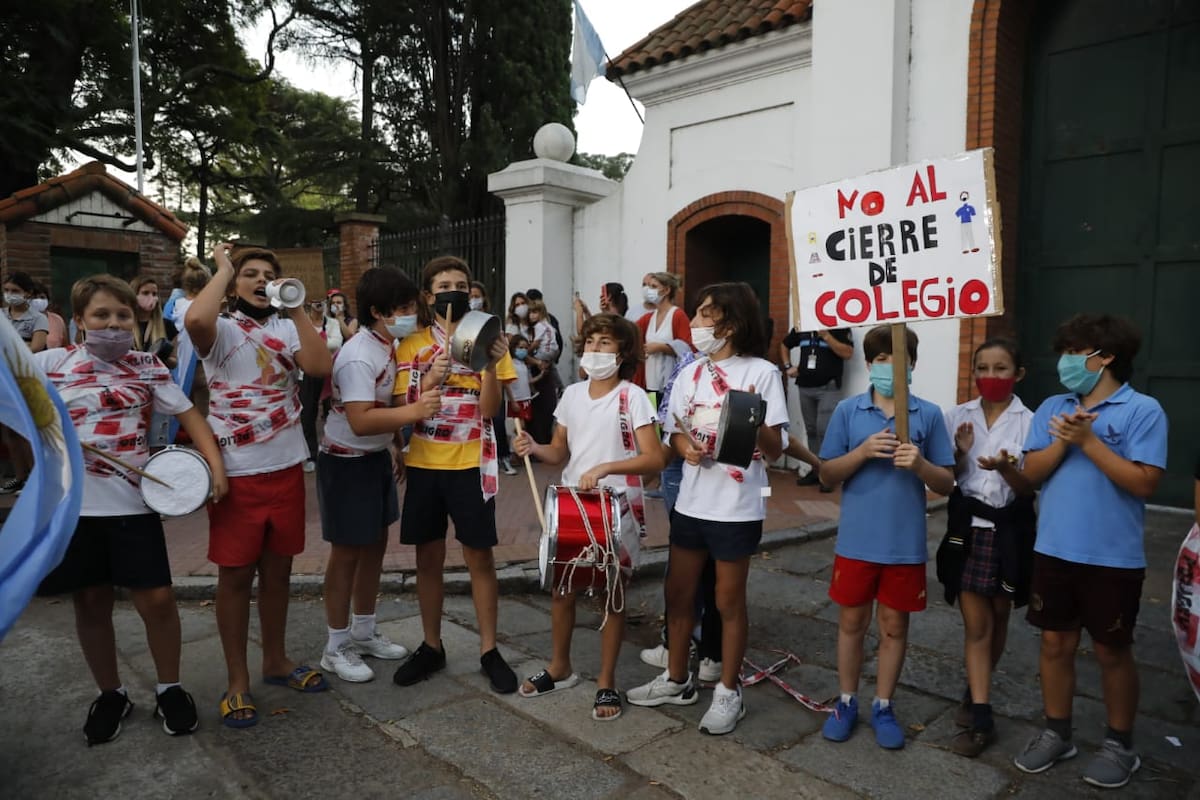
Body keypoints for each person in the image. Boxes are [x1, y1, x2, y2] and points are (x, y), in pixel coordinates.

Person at [34, 274, 228, 745]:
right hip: (74, 509)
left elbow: (190, 415)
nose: (114, 324)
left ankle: (169, 688)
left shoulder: (147, 366)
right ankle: (111, 694)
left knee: (157, 600)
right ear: (80, 320)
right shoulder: (49, 364)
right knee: (90, 601)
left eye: (123, 315)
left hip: (135, 506)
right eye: (101, 315)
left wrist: (214, 467)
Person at [1012, 314, 1167, 790]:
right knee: (1054, 643)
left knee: (1111, 650)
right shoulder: (1053, 407)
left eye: (1075, 352)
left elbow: (1144, 482)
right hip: (1054, 549)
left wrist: (1089, 442)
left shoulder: (1142, 410)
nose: (1066, 361)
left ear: (1106, 357)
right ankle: (1057, 732)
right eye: (1064, 351)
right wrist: (1064, 442)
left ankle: (1120, 744)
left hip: (1112, 557)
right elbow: (1030, 475)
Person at [627, 282, 786, 736]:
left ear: (729, 325)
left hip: (737, 507)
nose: (693, 322)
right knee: (679, 593)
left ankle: (728, 692)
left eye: (702, 314)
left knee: (727, 601)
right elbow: (674, 432)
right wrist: (686, 449)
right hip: (692, 503)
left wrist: (753, 418)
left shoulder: (762, 373)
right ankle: (677, 678)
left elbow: (776, 447)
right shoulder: (691, 372)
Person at [185, 243, 334, 728]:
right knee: (234, 578)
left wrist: (296, 305)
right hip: (237, 474)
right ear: (234, 285)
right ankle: (237, 680)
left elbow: (319, 367)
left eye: (268, 274)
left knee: (279, 573)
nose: (260, 280)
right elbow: (195, 320)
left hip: (287, 466)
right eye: (250, 273)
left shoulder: (288, 328)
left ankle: (276, 660)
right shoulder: (223, 330)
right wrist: (223, 268)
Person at [513, 313, 663, 720]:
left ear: (623, 352)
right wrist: (534, 447)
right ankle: (559, 667)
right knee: (562, 589)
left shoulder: (633, 396)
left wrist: (607, 467)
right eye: (591, 342)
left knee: (611, 595)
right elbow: (559, 451)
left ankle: (606, 680)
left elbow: (654, 458)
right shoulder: (573, 394)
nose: (595, 349)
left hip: (616, 507)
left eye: (605, 343)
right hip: (573, 504)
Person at [817, 324, 955, 750]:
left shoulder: (927, 414)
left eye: (898, 360)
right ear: (868, 363)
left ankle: (883, 704)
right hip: (857, 541)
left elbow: (947, 483)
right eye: (880, 359)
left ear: (912, 365)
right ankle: (846, 701)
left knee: (894, 626)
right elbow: (826, 474)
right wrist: (861, 453)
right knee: (852, 623)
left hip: (903, 544)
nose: (889, 367)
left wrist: (920, 465)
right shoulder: (849, 411)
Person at [390, 255, 518, 694]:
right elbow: (400, 409)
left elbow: (490, 409)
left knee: (479, 557)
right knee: (428, 559)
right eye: (444, 286)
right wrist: (428, 381)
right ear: (428, 296)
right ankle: (431, 645)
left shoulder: (490, 341)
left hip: (471, 463)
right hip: (426, 464)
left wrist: (489, 366)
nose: (454, 292)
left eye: (461, 286)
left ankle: (489, 649)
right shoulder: (411, 345)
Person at [318, 268, 441, 683]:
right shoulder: (358, 355)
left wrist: (395, 444)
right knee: (346, 554)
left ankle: (364, 631)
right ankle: (336, 646)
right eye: (402, 309)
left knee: (374, 547)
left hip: (374, 459)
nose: (410, 315)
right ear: (377, 312)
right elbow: (359, 419)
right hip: (345, 463)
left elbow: (382, 406)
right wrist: (413, 413)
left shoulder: (391, 346)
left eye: (411, 307)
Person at [940, 337, 1035, 757]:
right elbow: (947, 477)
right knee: (976, 625)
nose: (990, 376)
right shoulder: (957, 416)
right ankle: (982, 713)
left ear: (1018, 373)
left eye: (1001, 368)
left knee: (998, 617)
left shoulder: (1030, 422)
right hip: (969, 529)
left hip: (1010, 531)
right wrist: (960, 454)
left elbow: (1028, 488)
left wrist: (1006, 469)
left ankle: (975, 687)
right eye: (983, 368)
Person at [780, 327, 853, 490]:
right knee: (811, 430)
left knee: (825, 430)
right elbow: (784, 344)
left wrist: (826, 336)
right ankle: (817, 470)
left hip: (828, 387)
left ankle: (829, 474)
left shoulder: (839, 326)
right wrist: (788, 366)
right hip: (805, 386)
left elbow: (848, 353)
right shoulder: (801, 326)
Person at [1, 270, 49, 494]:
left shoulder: (38, 318)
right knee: (9, 429)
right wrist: (21, 344)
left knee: (26, 430)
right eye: (6, 290)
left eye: (15, 290)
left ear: (27, 293)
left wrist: (11, 348)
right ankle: (20, 477)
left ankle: (37, 477)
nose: (10, 294)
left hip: (26, 378)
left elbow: (36, 347)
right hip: (4, 379)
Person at [635, 272, 692, 405]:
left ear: (666, 290)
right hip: (650, 382)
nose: (648, 290)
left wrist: (661, 347)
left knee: (666, 416)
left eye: (653, 286)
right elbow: (629, 331)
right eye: (648, 286)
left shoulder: (677, 315)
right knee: (653, 415)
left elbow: (688, 349)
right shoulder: (649, 317)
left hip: (670, 383)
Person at [299, 296, 342, 472]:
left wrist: (313, 342)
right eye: (315, 302)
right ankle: (311, 454)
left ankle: (334, 448)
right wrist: (322, 342)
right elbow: (298, 344)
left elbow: (336, 343)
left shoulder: (332, 323)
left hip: (328, 371)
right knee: (308, 413)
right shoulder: (302, 322)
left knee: (332, 410)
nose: (319, 305)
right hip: (307, 373)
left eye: (322, 302)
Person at [525, 299, 561, 444]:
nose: (532, 316)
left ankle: (532, 388)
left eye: (534, 312)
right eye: (530, 313)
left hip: (543, 353)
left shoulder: (539, 326)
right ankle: (560, 386)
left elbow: (536, 343)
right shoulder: (549, 324)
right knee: (550, 369)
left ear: (541, 312)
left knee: (528, 365)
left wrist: (527, 351)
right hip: (553, 352)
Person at [502, 334, 535, 475]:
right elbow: (506, 383)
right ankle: (511, 454)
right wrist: (513, 401)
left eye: (526, 348)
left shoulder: (523, 364)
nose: (523, 350)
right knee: (517, 428)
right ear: (513, 348)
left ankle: (517, 455)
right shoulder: (510, 363)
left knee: (523, 427)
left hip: (526, 399)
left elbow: (527, 381)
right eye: (520, 347)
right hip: (516, 400)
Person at [129, 276, 177, 365]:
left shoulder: (167, 325)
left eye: (154, 294)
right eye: (145, 293)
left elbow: (174, 362)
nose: (151, 297)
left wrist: (161, 356)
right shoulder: (125, 325)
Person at [30, 281, 67, 348]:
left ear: (48, 300)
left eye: (42, 297)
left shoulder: (58, 320)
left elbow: (65, 347)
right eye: (34, 297)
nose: (38, 301)